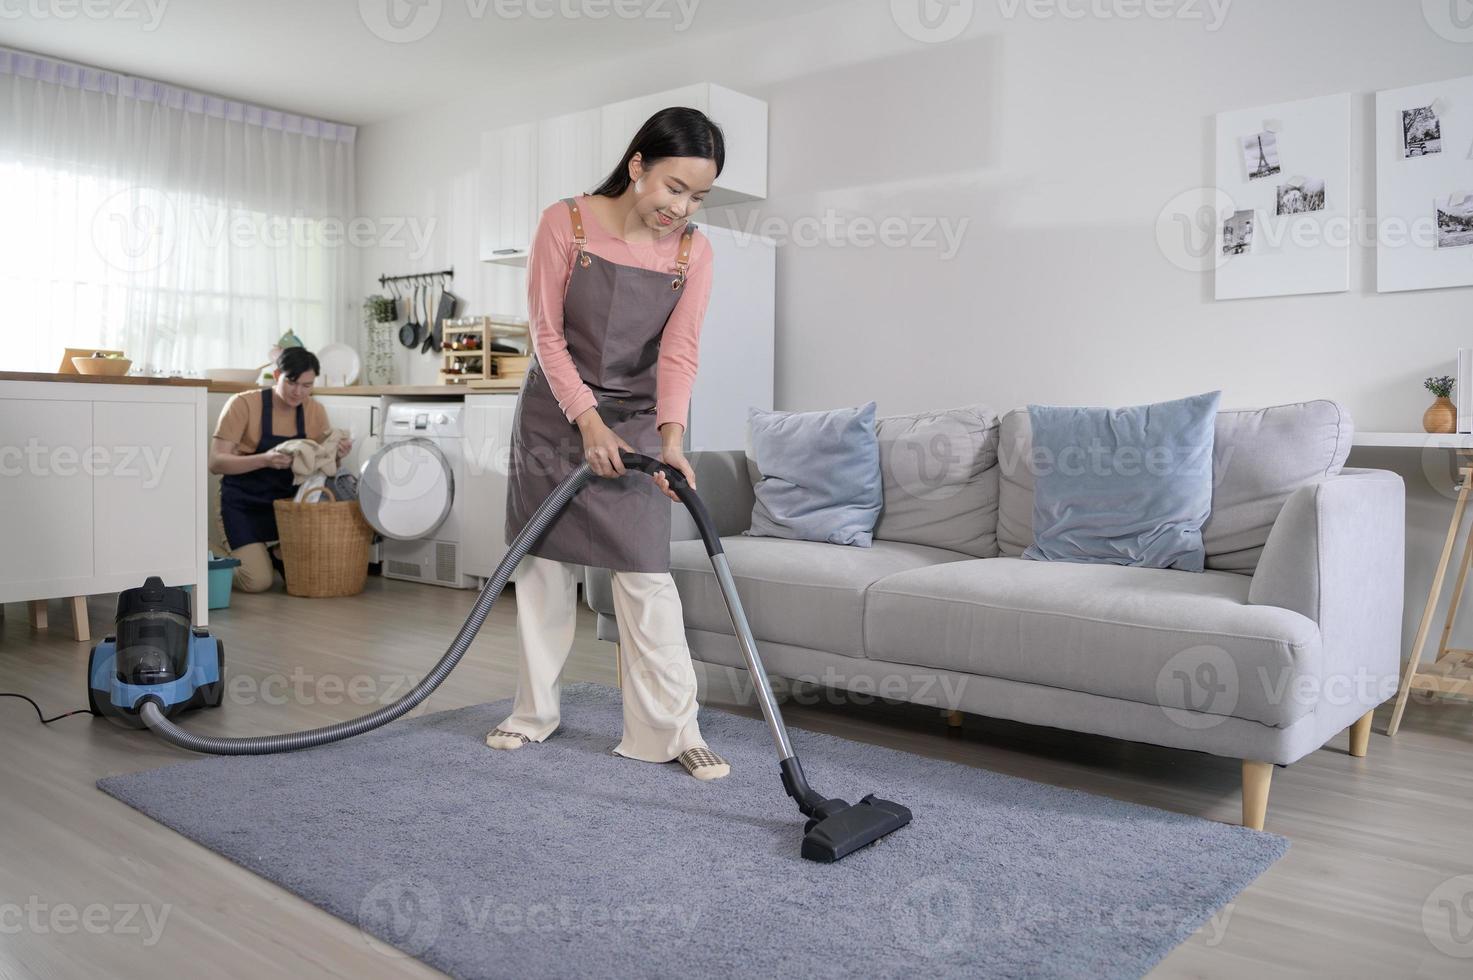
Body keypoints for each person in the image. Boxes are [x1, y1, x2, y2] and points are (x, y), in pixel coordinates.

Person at [489, 107, 730, 781]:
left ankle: (669, 728)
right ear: (637, 168)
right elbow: (546, 335)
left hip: (636, 421)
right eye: (673, 188)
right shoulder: (564, 222)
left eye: (697, 196)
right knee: (541, 572)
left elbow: (679, 353)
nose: (680, 208)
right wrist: (585, 421)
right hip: (554, 415)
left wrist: (672, 438)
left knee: (647, 576)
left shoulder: (693, 251)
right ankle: (533, 714)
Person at [209, 347, 352, 593]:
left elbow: (318, 466)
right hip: (242, 504)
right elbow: (216, 462)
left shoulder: (315, 411)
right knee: (257, 582)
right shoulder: (243, 404)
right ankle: (204, 555)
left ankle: (275, 551)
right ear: (277, 376)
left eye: (307, 386)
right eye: (292, 382)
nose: (299, 392)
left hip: (286, 508)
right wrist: (265, 459)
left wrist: (337, 456)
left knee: (310, 575)